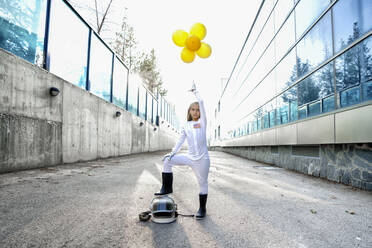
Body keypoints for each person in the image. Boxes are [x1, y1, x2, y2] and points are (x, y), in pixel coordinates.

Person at [154, 82, 210, 219]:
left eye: (197, 110)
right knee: (167, 160)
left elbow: (201, 102)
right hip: (189, 157)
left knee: (202, 183)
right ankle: (167, 187)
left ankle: (202, 208)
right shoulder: (186, 125)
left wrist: (195, 92)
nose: (196, 112)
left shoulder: (202, 122)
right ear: (189, 111)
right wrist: (173, 152)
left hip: (202, 160)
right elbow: (180, 140)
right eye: (193, 110)